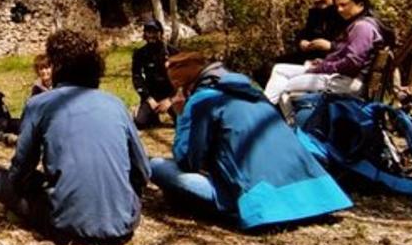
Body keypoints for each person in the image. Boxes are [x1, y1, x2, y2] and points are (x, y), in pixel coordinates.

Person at [151, 52, 352, 230]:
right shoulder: (256, 93)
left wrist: (181, 115)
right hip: (318, 196)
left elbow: (188, 161)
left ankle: (230, 204)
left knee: (156, 165)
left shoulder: (202, 100)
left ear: (184, 86)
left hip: (262, 203)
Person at [0, 30, 150, 245]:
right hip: (123, 225)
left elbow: (22, 167)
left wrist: (14, 186)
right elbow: (142, 170)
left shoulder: (40, 104)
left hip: (65, 225)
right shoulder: (116, 104)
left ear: (56, 68)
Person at [264, 0, 389, 111]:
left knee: (284, 86)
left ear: (360, 5)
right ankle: (264, 109)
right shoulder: (358, 24)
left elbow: (352, 63)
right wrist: (324, 62)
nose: (340, 10)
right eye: (337, 6)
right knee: (279, 69)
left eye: (344, 5)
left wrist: (321, 68)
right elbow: (344, 54)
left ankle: (287, 124)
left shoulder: (362, 27)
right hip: (342, 76)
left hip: (347, 82)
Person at [254, 0, 344, 86]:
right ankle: (279, 100)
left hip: (334, 58)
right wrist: (301, 42)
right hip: (309, 55)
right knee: (265, 68)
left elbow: (356, 45)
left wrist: (330, 46)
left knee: (274, 70)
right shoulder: (315, 14)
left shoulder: (345, 13)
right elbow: (304, 33)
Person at [132, 20, 178, 129]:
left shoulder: (173, 52)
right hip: (151, 95)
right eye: (148, 32)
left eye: (154, 32)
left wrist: (170, 100)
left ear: (160, 33)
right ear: (145, 34)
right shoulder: (140, 54)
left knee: (183, 122)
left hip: (171, 95)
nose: (151, 35)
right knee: (140, 123)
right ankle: (145, 112)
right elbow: (137, 77)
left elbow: (183, 79)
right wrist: (148, 98)